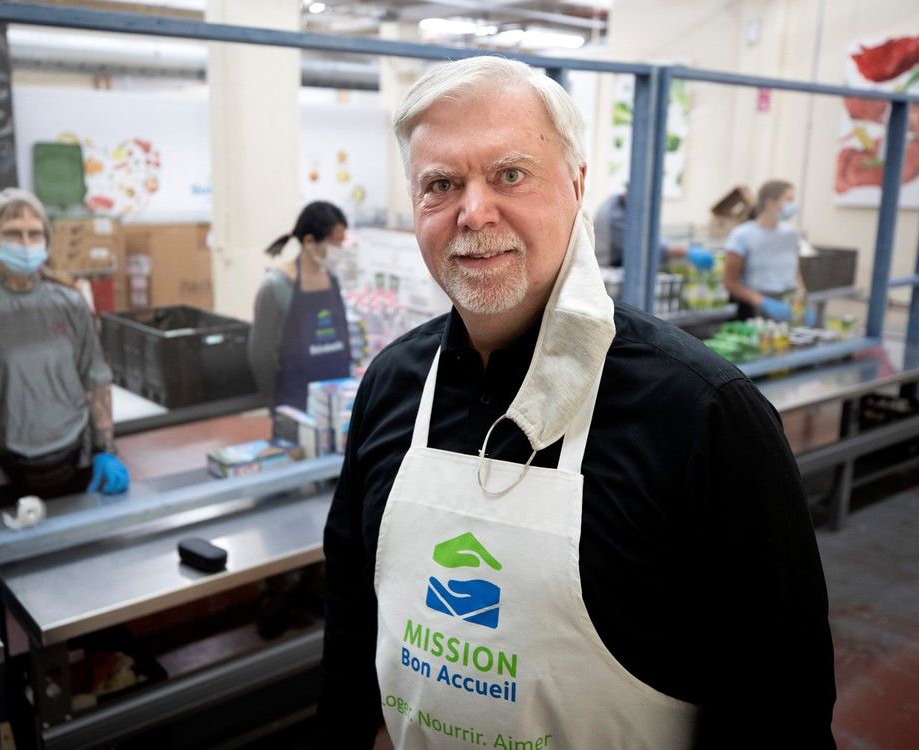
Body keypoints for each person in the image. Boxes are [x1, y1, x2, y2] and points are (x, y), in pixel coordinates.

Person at [319, 57, 835, 748]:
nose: (474, 212)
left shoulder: (702, 415)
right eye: (441, 185)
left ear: (577, 184)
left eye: (509, 174)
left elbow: (780, 712)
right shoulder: (392, 385)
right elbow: (353, 617)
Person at [0, 188, 129, 506]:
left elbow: (96, 380)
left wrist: (106, 450)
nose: (26, 243)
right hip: (4, 469)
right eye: (13, 234)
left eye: (34, 234)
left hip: (74, 459)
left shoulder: (69, 301)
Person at [247, 201, 352, 412]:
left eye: (342, 243)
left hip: (338, 399)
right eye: (334, 243)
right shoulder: (276, 286)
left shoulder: (332, 278)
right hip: (293, 401)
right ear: (310, 241)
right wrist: (273, 400)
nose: (339, 250)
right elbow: (261, 354)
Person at [723, 179, 812, 322]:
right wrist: (763, 302)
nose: (793, 206)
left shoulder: (791, 234)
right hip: (753, 309)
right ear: (770, 201)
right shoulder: (742, 235)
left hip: (786, 304)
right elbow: (730, 281)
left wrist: (801, 305)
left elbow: (794, 273)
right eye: (788, 199)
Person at [593, 189, 714, 269]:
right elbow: (645, 247)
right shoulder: (614, 215)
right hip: (608, 271)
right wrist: (686, 252)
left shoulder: (619, 203)